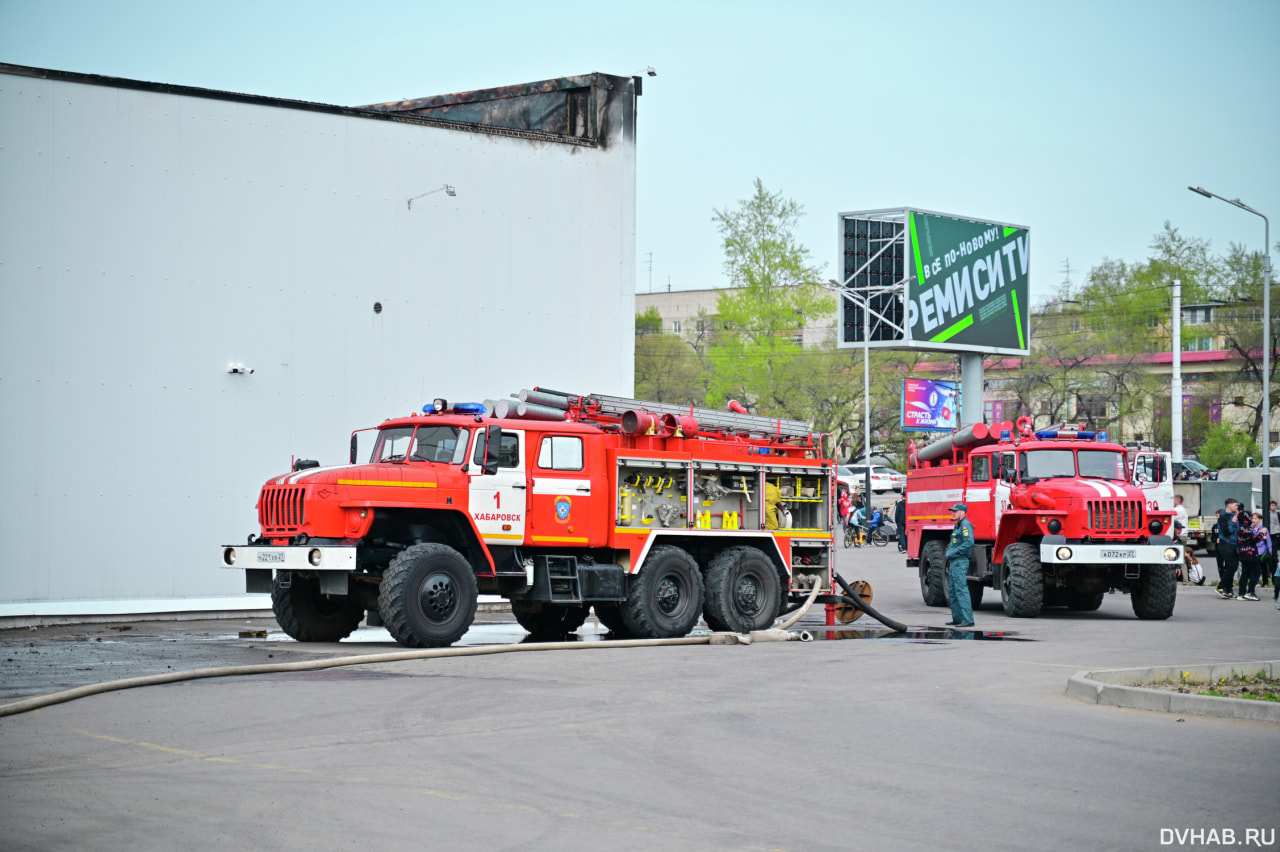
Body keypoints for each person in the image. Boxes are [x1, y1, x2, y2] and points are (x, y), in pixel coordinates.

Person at [944, 502, 975, 628]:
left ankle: (968, 619)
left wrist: (953, 552)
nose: (953, 513)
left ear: (962, 512)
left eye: (955, 511)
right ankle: (957, 618)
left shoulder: (965, 526)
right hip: (954, 561)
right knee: (952, 590)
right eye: (952, 511)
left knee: (961, 590)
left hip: (960, 560)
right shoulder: (958, 525)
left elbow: (969, 543)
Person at [1235, 510, 1264, 601]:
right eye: (1250, 517)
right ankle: (1250, 592)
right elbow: (1252, 539)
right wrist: (1261, 534)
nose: (1251, 518)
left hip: (1243, 554)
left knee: (1245, 573)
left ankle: (1241, 593)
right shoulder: (1246, 527)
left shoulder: (1241, 526)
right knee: (1256, 571)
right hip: (1250, 554)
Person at [1215, 498, 1240, 599]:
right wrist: (1234, 522)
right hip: (1226, 544)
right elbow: (1226, 531)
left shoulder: (1235, 515)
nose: (1237, 507)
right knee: (1231, 566)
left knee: (1232, 567)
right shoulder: (1223, 517)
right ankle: (1221, 587)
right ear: (1229, 505)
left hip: (1234, 545)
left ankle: (1229, 590)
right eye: (1235, 505)